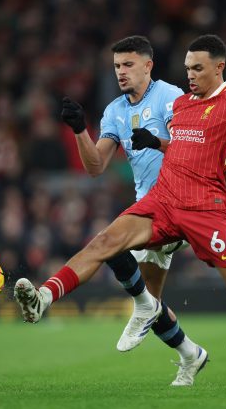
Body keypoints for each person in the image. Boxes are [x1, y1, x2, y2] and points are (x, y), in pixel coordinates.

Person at [15, 34, 226, 388]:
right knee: (104, 243)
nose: (190, 75)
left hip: (205, 208)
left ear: (218, 67)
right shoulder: (183, 105)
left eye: (197, 68)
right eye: (187, 68)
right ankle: (43, 298)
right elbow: (184, 145)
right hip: (162, 199)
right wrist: (157, 142)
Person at [57, 35, 204, 386]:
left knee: (113, 248)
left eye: (128, 65)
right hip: (146, 209)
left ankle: (50, 292)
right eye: (117, 67)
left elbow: (195, 150)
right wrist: (80, 130)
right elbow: (95, 167)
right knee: (149, 302)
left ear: (148, 65)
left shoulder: (171, 98)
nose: (121, 73)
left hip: (180, 204)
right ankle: (190, 354)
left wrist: (157, 142)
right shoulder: (114, 111)